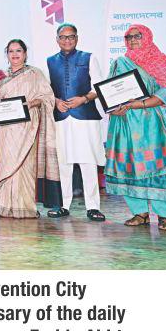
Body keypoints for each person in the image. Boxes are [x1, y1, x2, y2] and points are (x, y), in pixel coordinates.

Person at [105, 24, 166, 231]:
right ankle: (140, 212)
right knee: (131, 165)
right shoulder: (120, 62)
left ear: (147, 37)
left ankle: (165, 215)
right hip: (125, 122)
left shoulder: (160, 61)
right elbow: (110, 92)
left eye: (137, 36)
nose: (133, 40)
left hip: (152, 122)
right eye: (129, 37)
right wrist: (113, 108)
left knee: (158, 166)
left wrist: (140, 103)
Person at [0, 39, 62, 218]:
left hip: (28, 126)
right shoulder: (0, 76)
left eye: (19, 51)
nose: (15, 54)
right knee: (8, 165)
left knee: (26, 165)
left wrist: (31, 103)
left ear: (25, 54)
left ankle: (26, 207)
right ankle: (6, 207)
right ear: (7, 54)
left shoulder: (35, 73)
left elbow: (48, 97)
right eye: (11, 51)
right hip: (7, 128)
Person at [46, 23, 106, 221]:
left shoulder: (89, 58)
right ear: (57, 40)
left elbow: (98, 87)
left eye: (71, 36)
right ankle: (63, 205)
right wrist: (56, 101)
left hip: (85, 117)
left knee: (88, 161)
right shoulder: (49, 61)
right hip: (61, 118)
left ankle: (93, 207)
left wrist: (84, 99)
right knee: (63, 162)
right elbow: (46, 91)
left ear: (77, 38)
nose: (67, 40)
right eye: (63, 37)